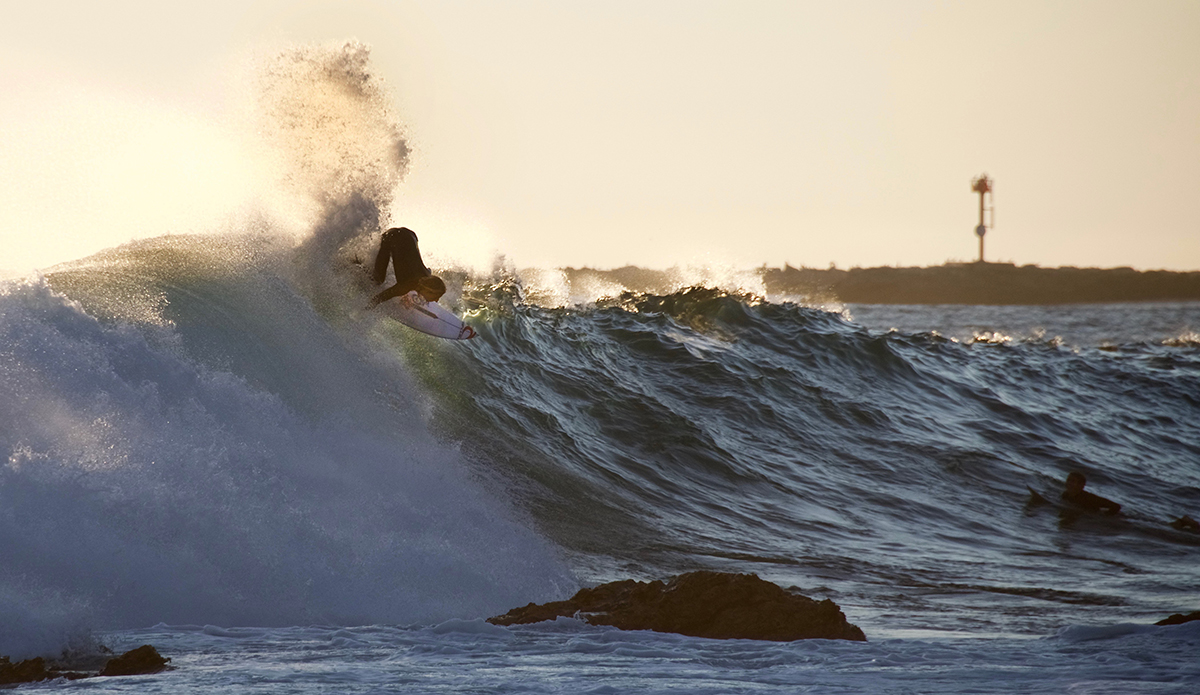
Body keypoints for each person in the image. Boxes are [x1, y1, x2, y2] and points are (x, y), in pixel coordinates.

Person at [368, 227, 446, 307]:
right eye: (437, 296)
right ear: (428, 290)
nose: (436, 300)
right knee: (378, 280)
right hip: (391, 237)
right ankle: (356, 265)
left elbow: (429, 270)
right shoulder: (406, 285)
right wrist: (364, 310)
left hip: (410, 235)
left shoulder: (427, 275)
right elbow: (377, 299)